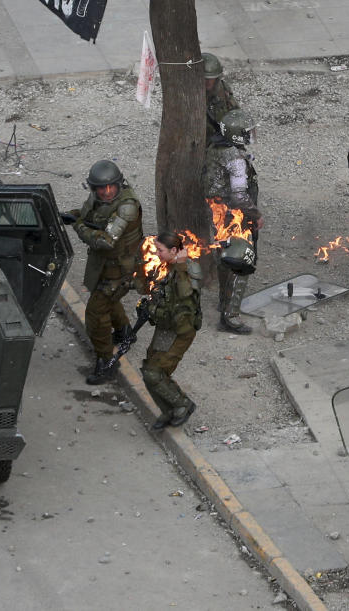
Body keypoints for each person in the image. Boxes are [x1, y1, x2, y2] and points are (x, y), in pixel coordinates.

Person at [67, 160, 144, 385]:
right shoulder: (98, 198)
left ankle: (106, 362)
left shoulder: (126, 207)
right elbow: (88, 216)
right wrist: (70, 216)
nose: (107, 192)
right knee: (106, 299)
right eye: (101, 188)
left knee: (94, 313)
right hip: (105, 266)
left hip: (121, 269)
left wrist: (78, 226)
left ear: (119, 184)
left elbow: (107, 241)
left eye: (111, 187)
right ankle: (124, 331)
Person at [137, 231, 203, 430]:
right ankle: (168, 410)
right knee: (149, 368)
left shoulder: (189, 268)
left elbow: (184, 297)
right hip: (166, 326)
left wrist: (181, 266)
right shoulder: (168, 266)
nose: (157, 253)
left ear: (174, 250)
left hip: (181, 330)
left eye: (160, 250)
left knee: (154, 373)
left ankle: (183, 404)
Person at [205, 108, 263, 333]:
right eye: (247, 132)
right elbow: (239, 194)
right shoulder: (236, 159)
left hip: (217, 211)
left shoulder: (216, 148)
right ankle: (231, 316)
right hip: (234, 215)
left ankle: (223, 301)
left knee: (224, 255)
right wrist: (256, 215)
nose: (250, 134)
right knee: (242, 261)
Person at [203, 53, 241, 142]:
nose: (208, 82)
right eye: (205, 78)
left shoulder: (222, 90)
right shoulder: (191, 96)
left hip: (219, 137)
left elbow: (235, 112)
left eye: (211, 78)